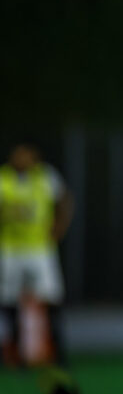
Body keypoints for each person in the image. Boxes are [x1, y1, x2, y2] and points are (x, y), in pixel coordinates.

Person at [0, 141, 74, 367]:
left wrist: (59, 227)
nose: (23, 159)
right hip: (10, 248)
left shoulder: (46, 176)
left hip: (40, 248)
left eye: (27, 155)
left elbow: (65, 200)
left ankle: (58, 350)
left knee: (51, 297)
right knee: (9, 299)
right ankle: (14, 351)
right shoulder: (4, 178)